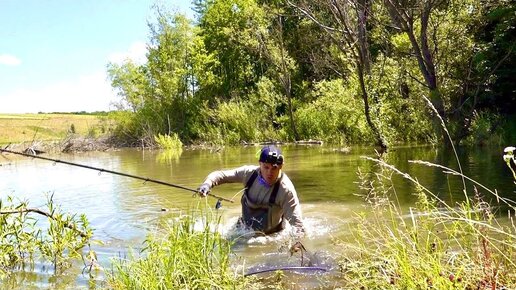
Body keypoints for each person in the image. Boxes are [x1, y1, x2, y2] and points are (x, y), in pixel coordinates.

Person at [198, 145, 305, 235]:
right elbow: (220, 175)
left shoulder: (286, 191)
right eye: (266, 167)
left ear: (281, 166)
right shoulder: (249, 174)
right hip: (242, 229)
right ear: (260, 164)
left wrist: (298, 244)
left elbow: (298, 226)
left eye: (274, 168)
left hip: (270, 237)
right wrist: (207, 184)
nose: (269, 173)